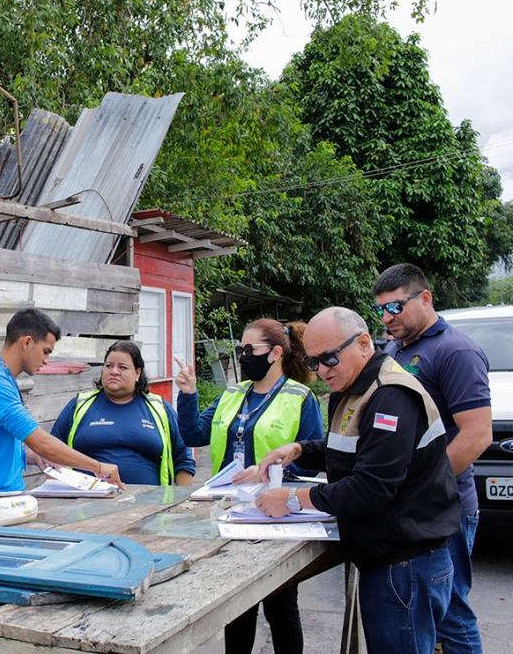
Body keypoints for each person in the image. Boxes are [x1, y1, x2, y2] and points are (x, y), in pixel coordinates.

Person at [256, 307, 461, 654]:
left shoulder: (390, 396)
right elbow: (350, 450)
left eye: (329, 359)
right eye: (313, 362)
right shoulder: (354, 384)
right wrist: (299, 450)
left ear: (364, 343)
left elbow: (371, 488)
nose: (321, 371)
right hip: (389, 558)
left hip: (405, 562)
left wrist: (293, 499)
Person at [174, 318, 324, 654]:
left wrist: (269, 468)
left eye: (249, 350)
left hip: (275, 512)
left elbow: (313, 455)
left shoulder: (300, 398)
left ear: (274, 354)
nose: (243, 356)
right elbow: (194, 434)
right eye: (241, 349)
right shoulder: (233, 394)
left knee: (280, 604)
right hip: (231, 511)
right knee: (236, 607)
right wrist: (187, 395)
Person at [373, 263, 491, 654]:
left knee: (451, 612)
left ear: (425, 298)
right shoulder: (394, 349)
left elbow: (476, 434)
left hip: (444, 505)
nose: (388, 318)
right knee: (423, 612)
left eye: (396, 307)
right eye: (381, 310)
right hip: (406, 504)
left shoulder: (454, 350)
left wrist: (421, 488)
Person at [0, 307, 124, 493]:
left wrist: (32, 457)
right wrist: (98, 467)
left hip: (3, 496)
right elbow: (41, 443)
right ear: (27, 342)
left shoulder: (3, 379)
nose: (46, 360)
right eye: (46, 351)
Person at [50, 340, 196, 486]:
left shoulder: (159, 409)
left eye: (123, 367)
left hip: (148, 504)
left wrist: (184, 500)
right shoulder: (79, 405)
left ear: (137, 373)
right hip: (83, 502)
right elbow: (51, 451)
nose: (114, 371)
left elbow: (183, 460)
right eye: (109, 366)